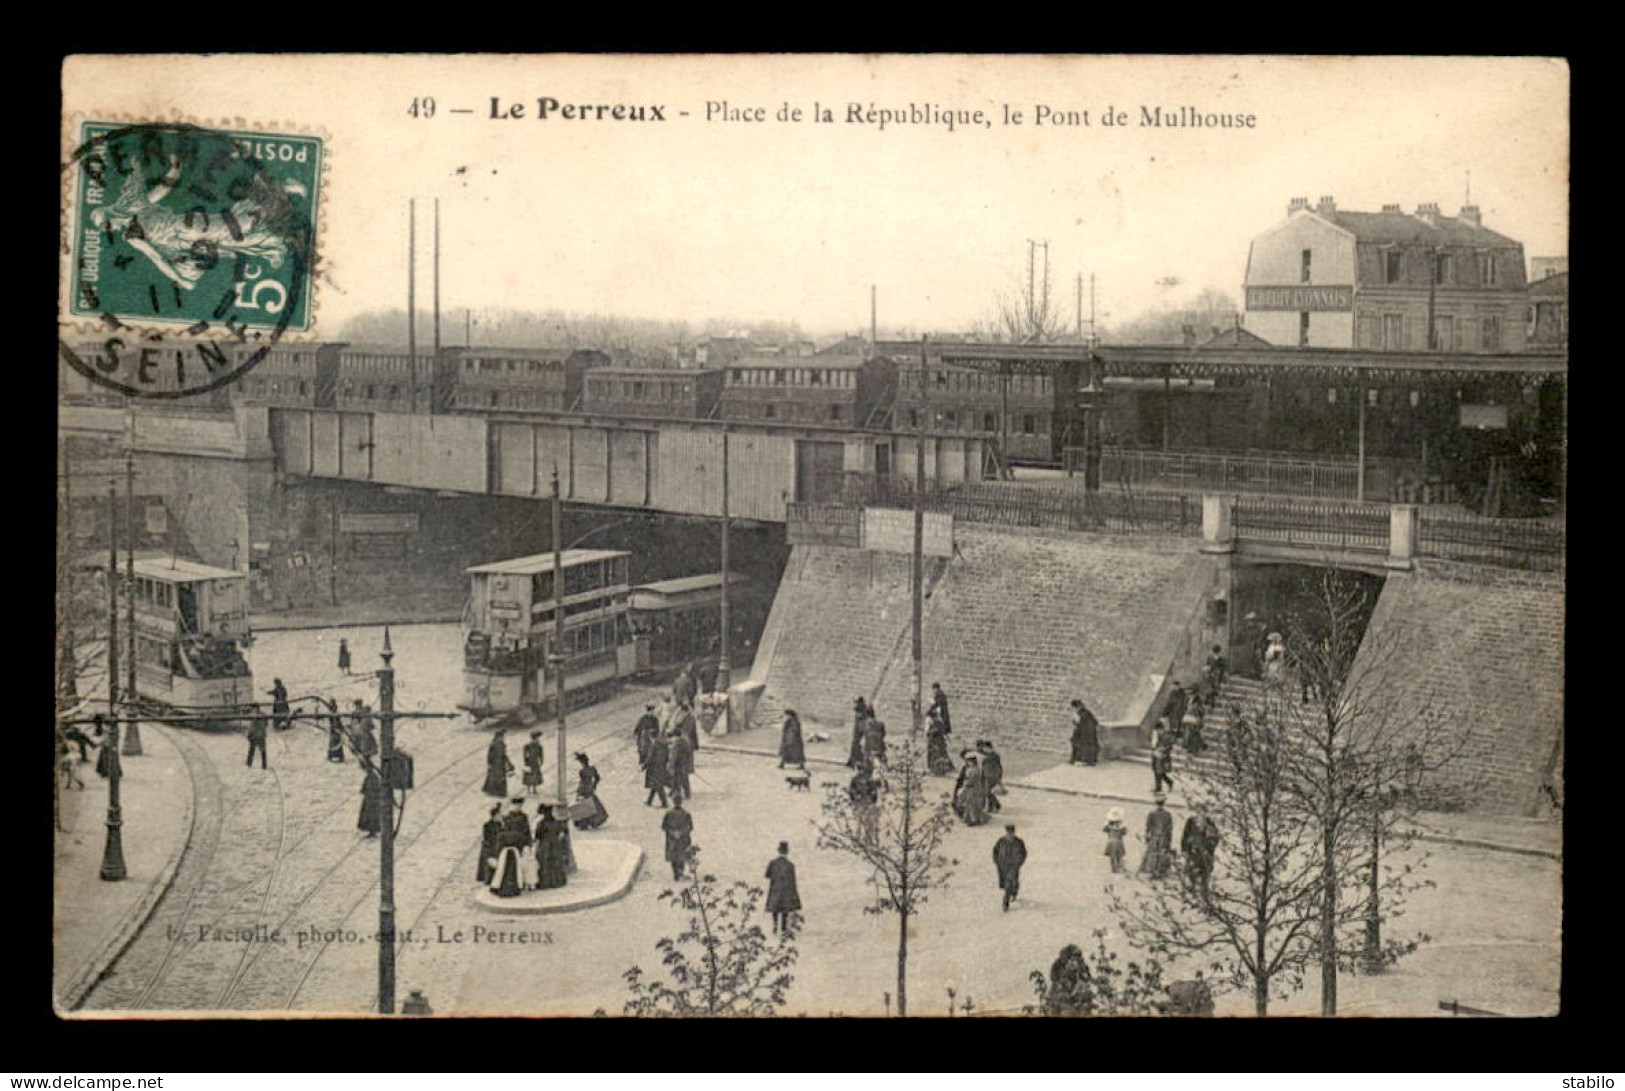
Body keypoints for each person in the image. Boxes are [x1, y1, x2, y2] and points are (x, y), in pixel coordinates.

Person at [490, 798, 533, 897]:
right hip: (510, 845)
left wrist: (528, 844)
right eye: (516, 805)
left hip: (520, 844)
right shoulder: (507, 817)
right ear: (512, 806)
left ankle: (522, 884)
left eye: (520, 806)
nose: (518, 807)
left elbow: (527, 831)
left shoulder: (524, 817)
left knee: (522, 865)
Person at [764, 841, 801, 934]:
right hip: (786, 891)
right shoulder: (790, 865)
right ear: (787, 852)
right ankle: (783, 928)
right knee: (785, 910)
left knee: (775, 909)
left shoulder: (773, 863)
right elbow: (793, 881)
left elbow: (767, 875)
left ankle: (775, 926)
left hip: (775, 889)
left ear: (779, 851)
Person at [1182, 805, 1220, 894]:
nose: (1200, 814)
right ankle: (1192, 885)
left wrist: (1210, 848)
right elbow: (1185, 835)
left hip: (1205, 851)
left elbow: (1215, 837)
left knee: (1205, 869)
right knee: (1191, 868)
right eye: (1198, 811)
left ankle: (1204, 887)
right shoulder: (1190, 821)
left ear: (1205, 813)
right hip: (1193, 849)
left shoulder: (1209, 823)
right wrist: (1184, 848)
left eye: (1202, 812)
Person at [993, 824, 1028, 911]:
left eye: (1011, 832)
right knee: (1007, 883)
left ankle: (1006, 902)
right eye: (1008, 832)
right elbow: (995, 851)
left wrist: (1019, 862)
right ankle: (1014, 892)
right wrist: (997, 861)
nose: (1010, 834)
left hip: (1014, 866)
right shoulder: (1001, 841)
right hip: (1003, 866)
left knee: (1009, 882)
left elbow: (1024, 853)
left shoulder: (1019, 842)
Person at [535, 804, 570, 889]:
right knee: (556, 862)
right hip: (555, 844)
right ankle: (556, 881)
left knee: (545, 863)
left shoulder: (541, 823)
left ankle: (546, 882)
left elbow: (537, 836)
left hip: (544, 845)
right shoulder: (556, 822)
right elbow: (564, 831)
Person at [1139, 793, 1174, 880]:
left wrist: (1147, 837)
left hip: (1154, 837)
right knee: (1161, 853)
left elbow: (1148, 827)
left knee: (1153, 853)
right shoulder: (1167, 814)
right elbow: (1169, 828)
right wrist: (1169, 839)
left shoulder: (1152, 814)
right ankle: (1160, 871)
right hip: (1163, 837)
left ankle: (1153, 871)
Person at [573, 752, 609, 830]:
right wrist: (594, 785)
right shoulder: (592, 769)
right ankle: (592, 821)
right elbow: (598, 778)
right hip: (589, 788)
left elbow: (582, 780)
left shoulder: (582, 771)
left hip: (583, 788)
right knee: (592, 804)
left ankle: (584, 822)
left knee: (582, 805)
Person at [662, 799, 694, 881]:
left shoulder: (668, 813)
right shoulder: (686, 814)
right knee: (682, 855)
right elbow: (690, 827)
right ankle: (680, 871)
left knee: (673, 856)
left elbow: (664, 826)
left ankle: (675, 872)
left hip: (671, 838)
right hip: (683, 838)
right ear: (681, 802)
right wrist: (681, 833)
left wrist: (673, 833)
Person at [953, 751, 988, 826]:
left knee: (972, 805)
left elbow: (971, 780)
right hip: (970, 789)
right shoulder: (972, 769)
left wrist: (965, 785)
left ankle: (974, 820)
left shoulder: (975, 770)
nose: (968, 763)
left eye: (970, 761)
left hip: (973, 789)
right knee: (969, 804)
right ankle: (968, 818)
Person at [848, 768, 880, 840]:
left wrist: (872, 801)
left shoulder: (870, 781)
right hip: (860, 803)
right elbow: (852, 792)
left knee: (868, 821)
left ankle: (867, 838)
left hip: (867, 803)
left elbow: (874, 793)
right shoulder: (856, 780)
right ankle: (859, 836)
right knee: (860, 821)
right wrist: (855, 799)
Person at [643, 730, 671, 808]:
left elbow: (650, 757)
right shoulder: (664, 744)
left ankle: (664, 803)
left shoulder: (653, 745)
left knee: (658, 785)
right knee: (655, 784)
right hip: (662, 767)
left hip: (654, 768)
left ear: (651, 737)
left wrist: (644, 766)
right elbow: (668, 756)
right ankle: (649, 801)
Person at [1069, 698, 1100, 766]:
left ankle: (1083, 759)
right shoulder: (1083, 713)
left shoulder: (1085, 714)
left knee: (1079, 742)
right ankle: (1077, 758)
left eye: (1074, 708)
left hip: (1086, 735)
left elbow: (1089, 724)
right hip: (1083, 733)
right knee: (1074, 740)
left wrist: (1078, 722)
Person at [477, 802, 502, 885]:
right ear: (494, 816)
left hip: (496, 844)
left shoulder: (499, 824)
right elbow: (487, 837)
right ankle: (487, 879)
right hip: (489, 846)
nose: (500, 817)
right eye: (499, 815)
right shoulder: (487, 825)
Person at [667, 727, 694, 804]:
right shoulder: (686, 742)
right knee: (685, 779)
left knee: (676, 779)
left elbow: (673, 756)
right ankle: (687, 794)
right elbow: (689, 754)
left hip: (677, 765)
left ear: (674, 735)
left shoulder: (675, 744)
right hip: (684, 764)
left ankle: (676, 794)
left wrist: (670, 765)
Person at [977, 739, 1004, 814]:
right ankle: (993, 806)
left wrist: (999, 776)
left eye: (985, 748)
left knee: (988, 792)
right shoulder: (989, 755)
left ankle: (995, 805)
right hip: (987, 775)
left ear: (989, 748)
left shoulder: (993, 756)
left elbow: (998, 766)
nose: (984, 749)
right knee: (987, 792)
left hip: (992, 776)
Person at [1151, 716, 1177, 794]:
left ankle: (1168, 783)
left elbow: (1169, 747)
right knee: (1156, 771)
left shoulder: (1167, 736)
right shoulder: (1157, 736)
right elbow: (1154, 744)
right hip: (1156, 754)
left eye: (1159, 730)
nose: (1158, 732)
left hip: (1163, 756)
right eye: (1157, 730)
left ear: (1162, 729)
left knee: (1160, 772)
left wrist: (1163, 750)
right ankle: (1158, 787)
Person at [483, 729, 513, 798]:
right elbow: (489, 755)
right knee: (494, 776)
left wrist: (509, 763)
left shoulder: (503, 745)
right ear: (498, 737)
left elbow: (504, 755)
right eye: (502, 737)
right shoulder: (493, 744)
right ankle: (493, 791)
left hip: (501, 762)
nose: (503, 738)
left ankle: (500, 792)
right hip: (495, 762)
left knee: (500, 777)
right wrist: (489, 763)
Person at [926, 709, 954, 776]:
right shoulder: (935, 723)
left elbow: (938, 731)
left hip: (937, 742)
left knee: (938, 756)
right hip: (934, 742)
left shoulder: (937, 723)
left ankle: (939, 770)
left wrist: (931, 732)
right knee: (936, 756)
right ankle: (936, 770)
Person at [358, 767, 384, 838]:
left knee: (371, 815)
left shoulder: (373, 777)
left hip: (372, 800)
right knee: (369, 814)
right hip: (370, 798)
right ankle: (372, 830)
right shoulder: (371, 776)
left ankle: (373, 830)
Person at [847, 697, 872, 768]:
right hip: (860, 726)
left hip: (862, 726)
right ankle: (855, 761)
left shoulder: (862, 709)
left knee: (858, 743)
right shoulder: (864, 709)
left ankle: (857, 761)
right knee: (856, 743)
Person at [1103, 806, 1128, 873]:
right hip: (1119, 842)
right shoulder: (1121, 827)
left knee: (1112, 856)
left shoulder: (1108, 826)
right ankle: (1119, 866)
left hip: (1110, 842)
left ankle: (1114, 868)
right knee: (1119, 856)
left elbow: (1104, 830)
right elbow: (1125, 832)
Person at [521, 731, 545, 795]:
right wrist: (541, 761)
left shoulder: (530, 745)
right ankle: (532, 790)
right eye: (537, 738)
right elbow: (541, 755)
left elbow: (525, 754)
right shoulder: (537, 746)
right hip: (533, 762)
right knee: (533, 775)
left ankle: (531, 790)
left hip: (530, 762)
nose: (538, 739)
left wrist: (525, 761)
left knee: (530, 775)